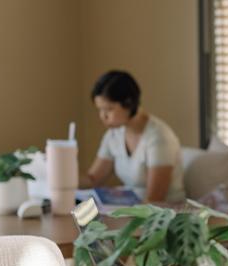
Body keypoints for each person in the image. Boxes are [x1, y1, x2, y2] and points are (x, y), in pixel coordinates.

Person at [79, 70, 185, 203]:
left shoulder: (159, 138)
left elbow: (155, 200)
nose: (102, 116)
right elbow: (93, 179)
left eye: (109, 109)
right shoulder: (114, 134)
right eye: (100, 109)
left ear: (128, 103)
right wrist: (60, 170)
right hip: (134, 210)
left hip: (164, 216)